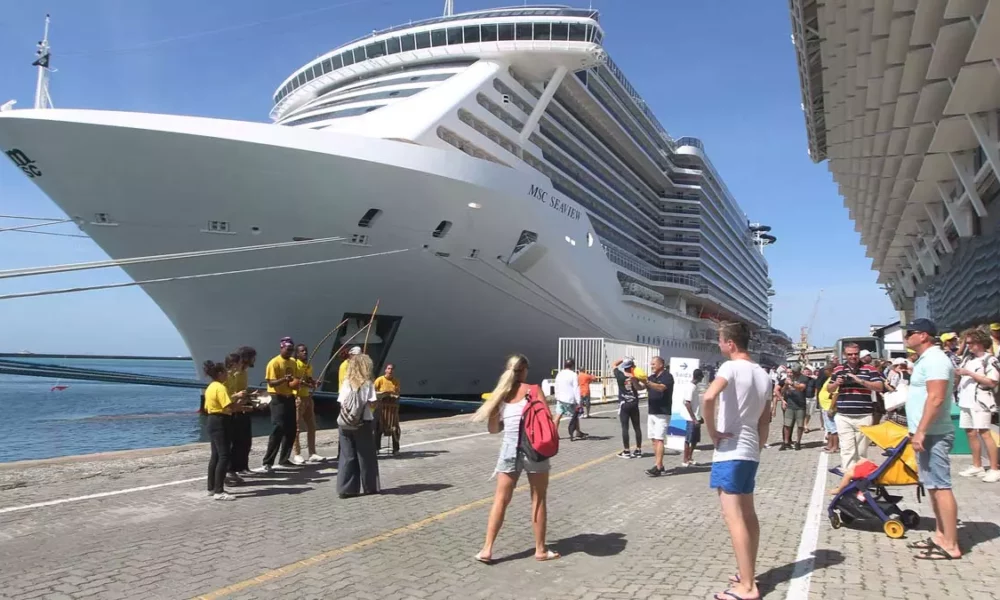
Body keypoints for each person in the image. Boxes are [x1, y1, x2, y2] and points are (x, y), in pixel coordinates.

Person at [702, 321, 772, 600]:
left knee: (733, 519)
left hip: (730, 451)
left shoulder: (730, 367)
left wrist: (712, 432)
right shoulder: (763, 374)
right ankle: (747, 575)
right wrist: (758, 445)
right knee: (748, 515)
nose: (719, 346)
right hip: (750, 450)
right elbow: (766, 420)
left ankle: (747, 587)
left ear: (730, 343)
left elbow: (708, 397)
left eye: (720, 341)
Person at [473, 355, 559, 564]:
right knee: (538, 499)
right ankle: (540, 550)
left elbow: (494, 429)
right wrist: (557, 419)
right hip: (534, 450)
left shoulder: (500, 394)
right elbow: (546, 424)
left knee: (500, 500)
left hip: (509, 450)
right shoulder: (533, 390)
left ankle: (487, 549)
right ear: (525, 370)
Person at [902, 318, 960, 560]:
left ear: (924, 335)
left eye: (910, 333)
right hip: (928, 431)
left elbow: (935, 398)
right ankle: (940, 534)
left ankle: (951, 544)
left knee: (941, 486)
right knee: (933, 486)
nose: (906, 337)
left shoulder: (935, 360)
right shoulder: (927, 359)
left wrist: (922, 430)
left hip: (933, 433)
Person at [827, 343, 885, 470]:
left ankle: (859, 480)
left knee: (861, 451)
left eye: (855, 354)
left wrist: (859, 380)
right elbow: (829, 389)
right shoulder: (838, 369)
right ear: (844, 355)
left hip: (864, 415)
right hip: (843, 416)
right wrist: (836, 383)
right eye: (849, 354)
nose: (853, 356)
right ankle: (848, 480)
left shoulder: (869, 369)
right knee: (847, 450)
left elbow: (880, 387)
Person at [955, 327, 1000, 483]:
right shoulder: (968, 359)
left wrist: (970, 374)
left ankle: (994, 468)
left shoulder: (990, 359)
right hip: (966, 399)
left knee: (984, 432)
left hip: (981, 400)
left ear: (980, 342)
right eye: (967, 343)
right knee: (970, 432)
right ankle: (977, 465)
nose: (969, 346)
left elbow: (992, 381)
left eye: (971, 343)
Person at [337, 353, 380, 497]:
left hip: (344, 423)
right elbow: (372, 402)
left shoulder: (346, 382)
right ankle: (370, 487)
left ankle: (346, 489)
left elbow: (342, 402)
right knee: (366, 456)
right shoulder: (368, 384)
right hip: (363, 423)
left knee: (347, 456)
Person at [203, 360, 246, 501]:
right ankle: (219, 491)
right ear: (220, 373)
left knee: (215, 455)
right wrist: (243, 406)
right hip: (221, 421)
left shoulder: (210, 387)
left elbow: (207, 407)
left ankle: (211, 488)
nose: (227, 374)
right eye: (225, 372)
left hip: (212, 420)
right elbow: (228, 406)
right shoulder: (220, 388)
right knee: (224, 456)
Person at [258, 338, 300, 473]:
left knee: (291, 429)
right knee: (278, 428)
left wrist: (304, 383)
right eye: (288, 349)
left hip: (289, 397)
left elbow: (295, 379)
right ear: (281, 348)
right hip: (277, 398)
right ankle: (268, 461)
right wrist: (284, 379)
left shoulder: (293, 362)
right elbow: (271, 383)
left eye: (291, 350)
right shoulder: (274, 363)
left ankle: (284, 458)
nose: (290, 352)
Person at [292, 344, 324, 465]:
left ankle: (312, 453)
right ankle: (297, 454)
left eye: (305, 350)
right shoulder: (295, 364)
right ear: (297, 353)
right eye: (302, 351)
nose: (305, 352)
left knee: (312, 426)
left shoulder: (308, 365)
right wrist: (309, 384)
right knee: (297, 427)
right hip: (298, 397)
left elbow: (309, 379)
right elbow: (297, 381)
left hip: (308, 397)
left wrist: (315, 382)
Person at [644, 356, 675, 476]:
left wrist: (647, 382)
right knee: (653, 439)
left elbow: (661, 388)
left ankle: (657, 466)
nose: (651, 366)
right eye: (651, 364)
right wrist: (635, 381)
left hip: (662, 412)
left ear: (661, 364)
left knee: (659, 439)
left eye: (653, 364)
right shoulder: (651, 377)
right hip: (652, 411)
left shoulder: (667, 376)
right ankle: (659, 465)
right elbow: (641, 387)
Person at [229, 346, 257, 476]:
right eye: (252, 357)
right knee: (236, 441)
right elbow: (231, 392)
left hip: (244, 407)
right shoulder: (233, 373)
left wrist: (251, 396)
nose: (254, 360)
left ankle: (243, 466)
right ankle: (232, 469)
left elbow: (244, 390)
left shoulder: (244, 372)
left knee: (246, 440)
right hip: (235, 409)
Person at [612, 356, 645, 458]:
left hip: (624, 403)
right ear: (632, 366)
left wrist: (623, 358)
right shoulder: (635, 377)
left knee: (625, 427)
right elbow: (641, 387)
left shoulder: (620, 375)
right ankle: (638, 449)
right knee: (637, 427)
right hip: (634, 403)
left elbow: (614, 365)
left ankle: (626, 451)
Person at [553, 359, 586, 441]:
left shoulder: (559, 374)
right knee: (575, 416)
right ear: (572, 366)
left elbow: (556, 385)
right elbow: (576, 388)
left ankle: (554, 434)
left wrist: (557, 396)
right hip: (569, 399)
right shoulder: (573, 375)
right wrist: (579, 401)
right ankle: (577, 433)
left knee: (557, 416)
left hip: (560, 399)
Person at [374, 363, 403, 455]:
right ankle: (376, 448)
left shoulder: (396, 381)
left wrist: (394, 395)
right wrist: (382, 393)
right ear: (385, 370)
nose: (390, 371)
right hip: (382, 408)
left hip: (392, 409)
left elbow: (398, 393)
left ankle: (396, 449)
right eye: (388, 368)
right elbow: (373, 392)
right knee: (379, 428)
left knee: (395, 429)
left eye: (391, 369)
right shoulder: (379, 380)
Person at [682, 368, 705, 468]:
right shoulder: (690, 387)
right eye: (701, 377)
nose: (702, 379)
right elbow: (687, 403)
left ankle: (690, 458)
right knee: (688, 439)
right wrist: (694, 418)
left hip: (696, 417)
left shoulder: (695, 387)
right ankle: (685, 459)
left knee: (695, 440)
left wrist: (699, 417)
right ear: (699, 377)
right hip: (691, 419)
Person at [780, 367, 808, 450]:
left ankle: (798, 442)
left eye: (795, 372)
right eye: (793, 371)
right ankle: (786, 443)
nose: (793, 373)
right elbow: (782, 391)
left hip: (800, 405)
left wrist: (791, 384)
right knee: (787, 425)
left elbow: (801, 387)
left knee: (800, 425)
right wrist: (785, 384)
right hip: (790, 405)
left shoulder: (803, 378)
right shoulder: (788, 379)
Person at [816, 365, 839, 454]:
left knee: (833, 429)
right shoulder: (828, 379)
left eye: (825, 370)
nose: (823, 372)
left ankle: (835, 446)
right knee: (828, 428)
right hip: (824, 406)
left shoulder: (833, 380)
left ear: (829, 370)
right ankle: (830, 445)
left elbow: (835, 395)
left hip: (829, 406)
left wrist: (831, 408)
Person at [802, 366, 818, 433]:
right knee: (804, 413)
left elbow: (816, 388)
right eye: (806, 371)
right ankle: (804, 426)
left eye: (809, 371)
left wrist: (816, 396)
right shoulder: (801, 379)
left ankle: (805, 425)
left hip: (812, 398)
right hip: (804, 398)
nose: (807, 372)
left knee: (809, 413)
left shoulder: (813, 379)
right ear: (803, 372)